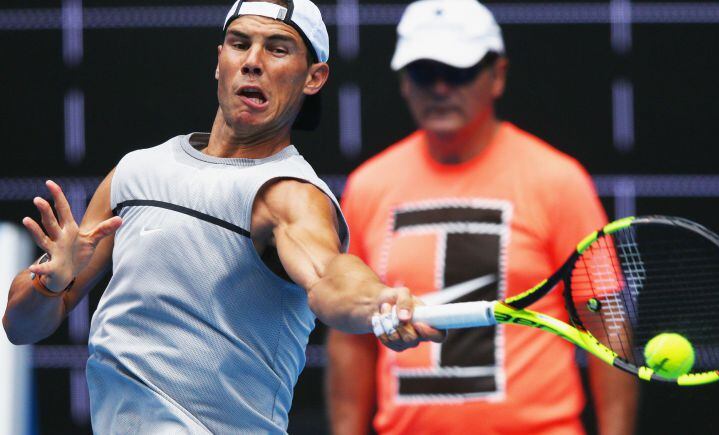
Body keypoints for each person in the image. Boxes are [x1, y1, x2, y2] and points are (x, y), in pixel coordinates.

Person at [1, 1, 442, 433]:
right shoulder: (136, 172)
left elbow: (331, 278)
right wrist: (50, 282)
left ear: (314, 78)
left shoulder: (288, 195)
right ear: (219, 61)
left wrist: (380, 303)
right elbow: (20, 328)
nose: (252, 62)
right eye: (239, 43)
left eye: (277, 48)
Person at [326, 0, 638, 434]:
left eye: (458, 72)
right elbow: (350, 336)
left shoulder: (558, 180)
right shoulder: (367, 186)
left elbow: (607, 319)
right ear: (403, 83)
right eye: (423, 72)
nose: (439, 88)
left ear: (498, 76)